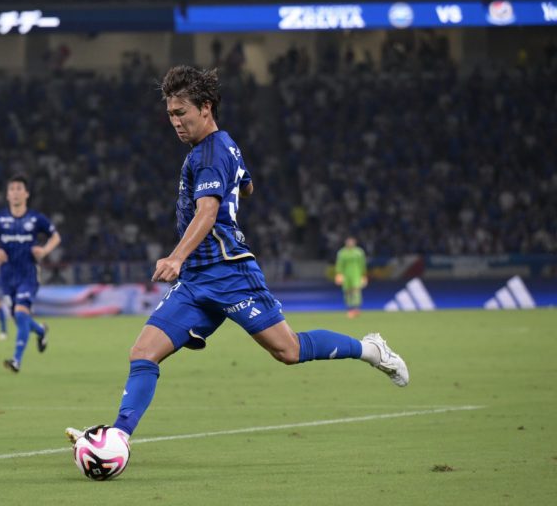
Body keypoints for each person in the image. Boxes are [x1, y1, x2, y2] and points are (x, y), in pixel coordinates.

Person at [66, 66, 408, 449]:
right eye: (170, 114)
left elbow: (208, 211)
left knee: (288, 351)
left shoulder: (210, 154)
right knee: (143, 352)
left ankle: (370, 350)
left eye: (181, 113)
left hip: (229, 272)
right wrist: (233, 192)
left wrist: (176, 257)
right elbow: (248, 186)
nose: (175, 122)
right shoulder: (224, 145)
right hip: (197, 279)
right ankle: (117, 438)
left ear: (205, 108)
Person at [0, 175, 61, 373]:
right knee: (20, 319)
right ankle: (40, 331)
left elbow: (56, 237)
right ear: (8, 195)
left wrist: (44, 251)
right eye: (12, 189)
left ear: (26, 194)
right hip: (6, 277)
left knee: (21, 313)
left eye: (19, 188)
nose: (15, 192)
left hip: (28, 275)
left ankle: (16, 360)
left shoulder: (35, 218)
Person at [334, 236, 368, 318]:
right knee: (347, 291)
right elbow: (339, 264)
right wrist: (338, 274)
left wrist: (364, 275)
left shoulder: (359, 252)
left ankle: (356, 308)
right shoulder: (342, 252)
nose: (350, 243)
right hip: (345, 274)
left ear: (355, 242)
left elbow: (362, 264)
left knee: (356, 290)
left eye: (351, 241)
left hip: (356, 274)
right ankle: (349, 308)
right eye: (348, 242)